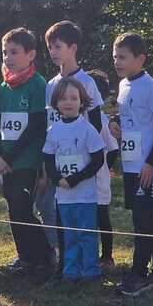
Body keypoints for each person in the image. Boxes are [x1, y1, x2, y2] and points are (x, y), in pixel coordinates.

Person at [112, 32, 153, 299]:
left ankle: (139, 273)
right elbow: (128, 119)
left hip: (147, 168)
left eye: (123, 57)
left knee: (143, 220)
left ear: (141, 59)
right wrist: (115, 126)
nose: (117, 62)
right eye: (115, 57)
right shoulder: (123, 85)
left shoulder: (151, 87)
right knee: (144, 217)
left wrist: (151, 163)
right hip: (130, 164)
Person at [36, 20, 104, 265]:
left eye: (58, 46)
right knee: (59, 215)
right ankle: (65, 265)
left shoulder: (87, 82)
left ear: (73, 48)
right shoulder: (51, 85)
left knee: (84, 218)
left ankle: (90, 265)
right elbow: (49, 126)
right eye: (50, 47)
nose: (53, 52)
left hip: (83, 164)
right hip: (58, 161)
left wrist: (84, 155)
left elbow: (96, 123)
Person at [0, 27, 52, 277]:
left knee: (22, 207)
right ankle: (24, 257)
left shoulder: (38, 84)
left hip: (27, 160)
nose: (8, 57)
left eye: (14, 52)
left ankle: (44, 256)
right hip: (6, 162)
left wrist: (9, 157)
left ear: (31, 55)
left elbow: (36, 126)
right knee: (13, 209)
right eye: (5, 52)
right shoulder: (5, 87)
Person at [42, 77, 105, 283]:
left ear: (81, 102)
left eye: (73, 98)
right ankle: (71, 272)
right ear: (56, 102)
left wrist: (75, 179)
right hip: (63, 197)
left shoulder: (87, 129)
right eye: (63, 98)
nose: (68, 102)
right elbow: (48, 159)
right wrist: (57, 179)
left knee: (86, 234)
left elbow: (98, 159)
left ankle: (91, 272)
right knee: (69, 235)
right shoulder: (53, 131)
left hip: (85, 196)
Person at [91, 70, 119, 269]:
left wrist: (103, 169)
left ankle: (107, 257)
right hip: (81, 179)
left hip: (98, 180)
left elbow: (113, 149)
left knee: (102, 216)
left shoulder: (101, 120)